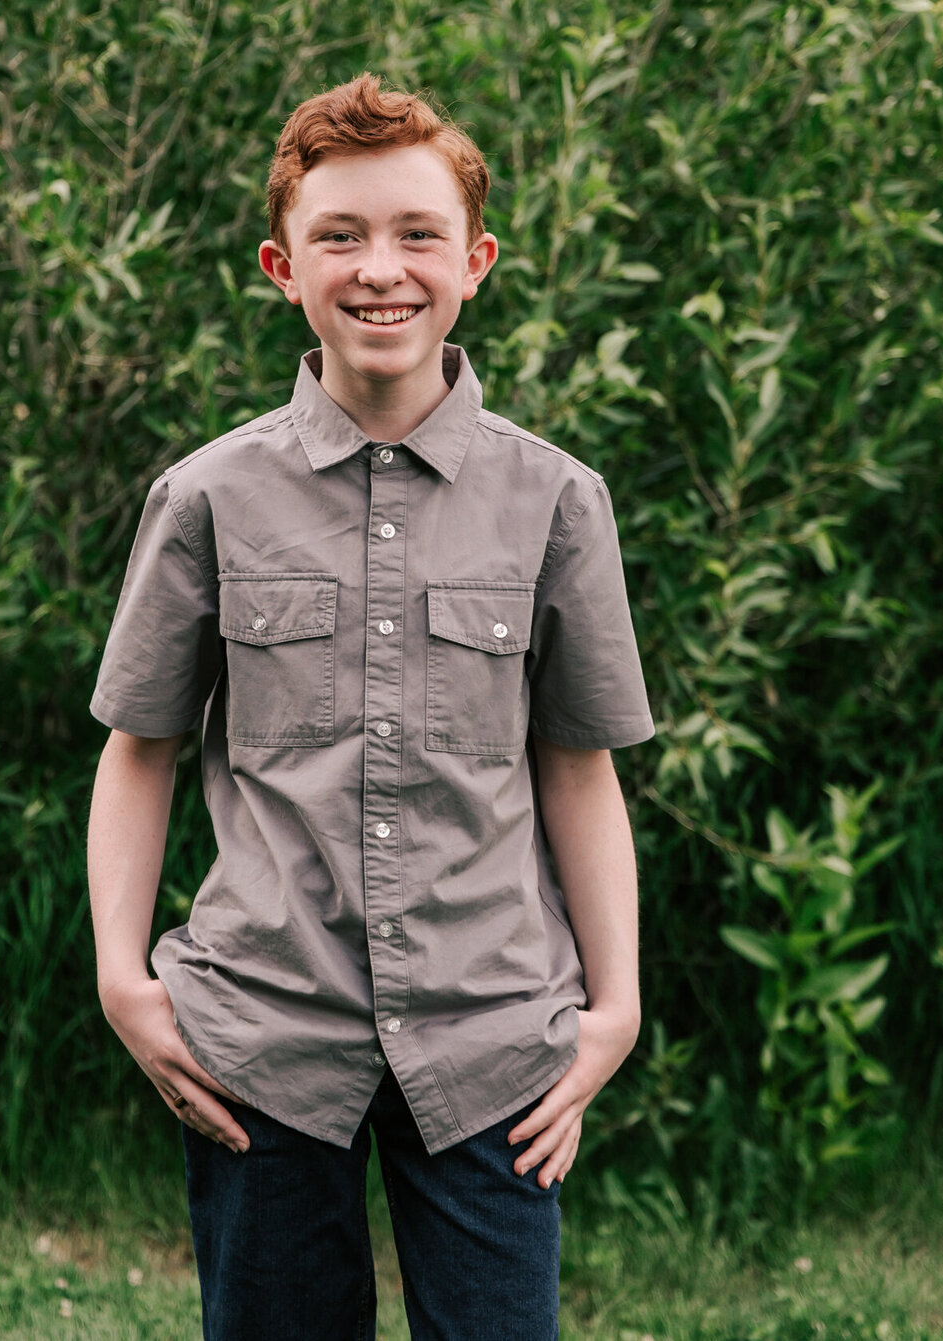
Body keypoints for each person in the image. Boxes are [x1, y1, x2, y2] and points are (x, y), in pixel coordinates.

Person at [87, 72, 655, 1340]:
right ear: (284, 266)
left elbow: (578, 769)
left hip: (500, 1038)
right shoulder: (208, 498)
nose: (379, 268)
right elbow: (140, 747)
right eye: (340, 236)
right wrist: (126, 983)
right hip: (260, 1038)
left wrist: (611, 1011)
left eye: (416, 235)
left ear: (476, 262)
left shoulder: (559, 503)